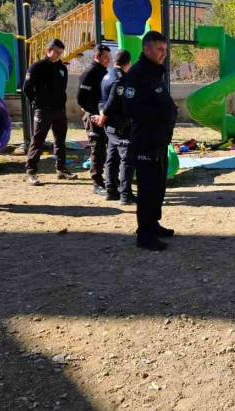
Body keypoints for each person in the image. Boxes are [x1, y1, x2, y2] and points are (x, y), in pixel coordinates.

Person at [124, 31, 178, 251]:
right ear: (147, 49)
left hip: (159, 140)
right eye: (159, 49)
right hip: (146, 139)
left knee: (157, 185)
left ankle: (153, 223)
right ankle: (144, 234)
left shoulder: (156, 73)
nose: (163, 54)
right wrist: (156, 121)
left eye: (165, 50)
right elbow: (130, 108)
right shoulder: (137, 74)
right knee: (147, 187)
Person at [23, 39, 74, 185]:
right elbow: (27, 88)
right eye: (56, 52)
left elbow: (62, 88)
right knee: (38, 140)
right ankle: (31, 172)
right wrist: (36, 102)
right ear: (48, 51)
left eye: (60, 53)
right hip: (43, 110)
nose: (59, 55)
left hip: (59, 109)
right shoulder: (37, 67)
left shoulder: (62, 68)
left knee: (60, 140)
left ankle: (61, 169)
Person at [99, 49, 135, 204]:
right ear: (129, 63)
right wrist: (103, 118)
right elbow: (111, 104)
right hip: (119, 125)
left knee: (112, 157)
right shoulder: (120, 79)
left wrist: (102, 117)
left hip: (111, 126)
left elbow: (101, 101)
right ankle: (125, 194)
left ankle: (111, 190)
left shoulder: (107, 75)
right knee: (127, 158)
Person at [77, 44, 111, 196]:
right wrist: (93, 113)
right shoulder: (90, 72)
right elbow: (80, 98)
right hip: (94, 117)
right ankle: (97, 183)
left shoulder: (104, 72)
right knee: (97, 150)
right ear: (97, 56)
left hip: (103, 117)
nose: (107, 61)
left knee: (105, 150)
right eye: (105, 58)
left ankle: (107, 179)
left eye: (109, 59)